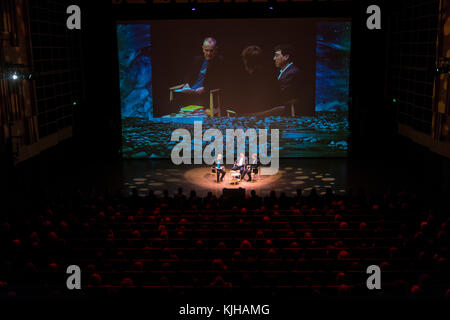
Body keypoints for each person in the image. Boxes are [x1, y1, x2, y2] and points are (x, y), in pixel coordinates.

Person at [173, 37, 225, 108]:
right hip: (190, 93)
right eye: (206, 50)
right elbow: (188, 75)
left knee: (193, 109)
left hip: (205, 96)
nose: (208, 53)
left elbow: (219, 81)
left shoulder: (219, 62)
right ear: (203, 49)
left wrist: (205, 89)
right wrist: (187, 84)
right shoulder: (197, 60)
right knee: (171, 106)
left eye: (211, 51)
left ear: (216, 49)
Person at [237, 45, 278, 115]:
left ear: (246, 61)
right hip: (269, 114)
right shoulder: (269, 74)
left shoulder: (248, 79)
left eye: (244, 59)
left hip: (255, 115)